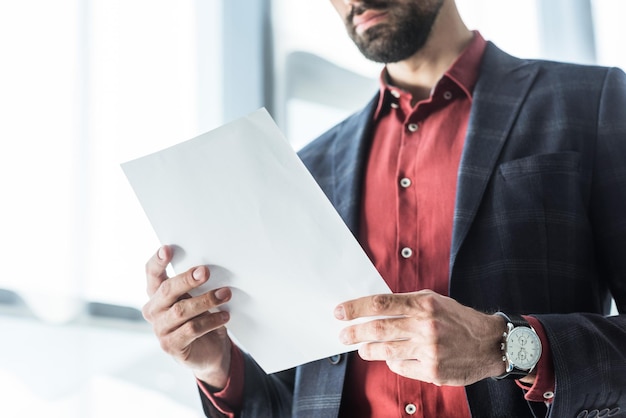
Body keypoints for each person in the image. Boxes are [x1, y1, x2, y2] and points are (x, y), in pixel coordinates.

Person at [141, 0, 626, 416]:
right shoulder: (311, 167)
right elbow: (298, 402)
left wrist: (503, 345)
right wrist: (218, 365)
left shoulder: (594, 102)